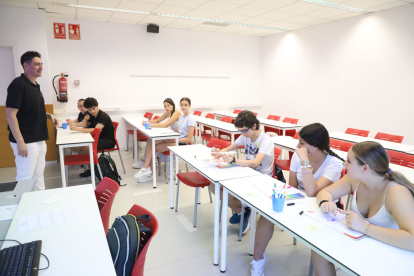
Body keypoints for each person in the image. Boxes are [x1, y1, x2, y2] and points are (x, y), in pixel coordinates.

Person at [250, 123, 344, 276]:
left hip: (323, 207)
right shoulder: (298, 155)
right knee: (266, 216)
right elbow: (293, 187)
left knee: (318, 239)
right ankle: (257, 260)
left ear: (314, 147)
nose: (297, 146)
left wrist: (304, 161)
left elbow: (311, 191)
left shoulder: (334, 164)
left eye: (302, 143)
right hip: (300, 199)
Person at [314, 141, 414, 276]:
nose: (344, 163)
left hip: (390, 251)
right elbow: (326, 192)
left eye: (349, 161)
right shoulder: (355, 179)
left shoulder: (396, 193)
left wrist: (365, 227)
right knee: (319, 250)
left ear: (365, 168)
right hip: (363, 243)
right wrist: (326, 202)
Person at [210, 110, 274, 235]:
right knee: (213, 185)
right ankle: (243, 211)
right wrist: (219, 153)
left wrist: (234, 160)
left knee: (225, 191)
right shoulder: (245, 135)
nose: (242, 133)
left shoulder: (265, 140)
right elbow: (228, 148)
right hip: (246, 172)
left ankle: (246, 208)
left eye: (244, 130)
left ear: (254, 126)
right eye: (240, 130)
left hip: (262, 177)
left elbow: (255, 164)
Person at [5, 51, 59, 191]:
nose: (41, 67)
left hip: (39, 139)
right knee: (25, 177)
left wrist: (49, 115)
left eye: (41, 64)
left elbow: (31, 109)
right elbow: (10, 114)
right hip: (26, 140)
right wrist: (20, 142)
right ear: (26, 65)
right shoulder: (18, 84)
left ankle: (38, 204)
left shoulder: (34, 85)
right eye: (37, 64)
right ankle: (21, 209)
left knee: (38, 175)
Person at [133, 97, 195, 183]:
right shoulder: (181, 118)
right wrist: (170, 138)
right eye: (182, 105)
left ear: (190, 106)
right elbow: (178, 131)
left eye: (186, 105)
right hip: (176, 139)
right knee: (151, 141)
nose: (183, 107)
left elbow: (188, 139)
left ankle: (147, 170)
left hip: (182, 144)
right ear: (179, 105)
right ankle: (147, 169)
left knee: (152, 147)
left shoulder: (190, 118)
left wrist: (174, 140)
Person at [70, 97, 115, 178]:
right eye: (89, 110)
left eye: (93, 109)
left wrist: (77, 129)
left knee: (86, 148)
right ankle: (93, 167)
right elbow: (85, 126)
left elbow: (96, 130)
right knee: (75, 147)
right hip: (96, 138)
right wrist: (85, 120)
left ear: (97, 106)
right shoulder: (91, 114)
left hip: (107, 140)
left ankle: (92, 169)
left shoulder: (103, 116)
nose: (92, 111)